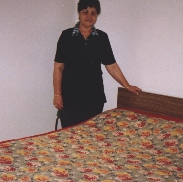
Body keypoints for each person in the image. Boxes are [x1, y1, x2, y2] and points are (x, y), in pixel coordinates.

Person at [53, 0, 142, 128]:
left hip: (94, 98)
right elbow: (58, 67)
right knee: (69, 135)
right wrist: (57, 95)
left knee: (91, 137)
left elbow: (111, 66)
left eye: (93, 13)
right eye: (85, 12)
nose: (89, 16)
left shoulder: (102, 38)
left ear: (97, 15)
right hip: (70, 98)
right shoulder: (66, 36)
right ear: (79, 14)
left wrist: (127, 85)